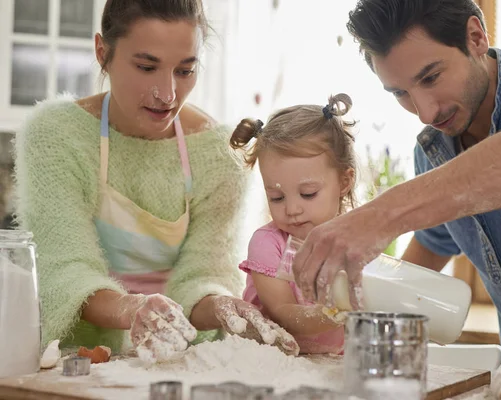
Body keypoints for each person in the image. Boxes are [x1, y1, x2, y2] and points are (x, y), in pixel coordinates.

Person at [292, 0, 501, 380]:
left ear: (475, 37)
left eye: (431, 77)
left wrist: (379, 216)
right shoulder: (434, 153)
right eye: (399, 93)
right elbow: (423, 259)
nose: (425, 112)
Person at [14, 0, 298, 363]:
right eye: (147, 67)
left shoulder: (217, 154)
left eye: (185, 70)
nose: (167, 94)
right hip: (74, 359)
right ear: (103, 52)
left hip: (177, 360)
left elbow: (204, 273)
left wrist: (221, 303)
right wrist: (131, 309)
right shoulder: (55, 135)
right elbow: (65, 267)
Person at [230, 94, 357, 354]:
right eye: (276, 197)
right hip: (271, 361)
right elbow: (283, 313)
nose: (292, 209)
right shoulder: (268, 243)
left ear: (344, 182)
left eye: (308, 193)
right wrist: (334, 314)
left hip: (331, 364)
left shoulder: (354, 240)